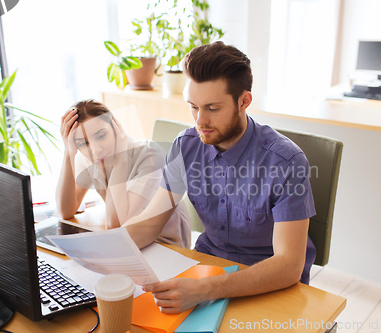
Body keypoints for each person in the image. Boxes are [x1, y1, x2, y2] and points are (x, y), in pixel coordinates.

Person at [123, 41, 317, 314]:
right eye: (193, 107)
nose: (200, 120)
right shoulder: (186, 145)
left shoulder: (286, 162)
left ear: (244, 101)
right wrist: (105, 252)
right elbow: (150, 222)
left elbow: (289, 266)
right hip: (206, 268)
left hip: (268, 283)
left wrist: (204, 290)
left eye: (212, 108)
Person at [55, 99, 191, 248]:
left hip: (166, 246)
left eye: (101, 136)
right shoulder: (90, 158)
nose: (96, 150)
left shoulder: (150, 155)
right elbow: (65, 211)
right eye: (83, 143)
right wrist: (68, 153)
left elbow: (116, 225)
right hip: (127, 245)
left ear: (115, 128)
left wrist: (121, 160)